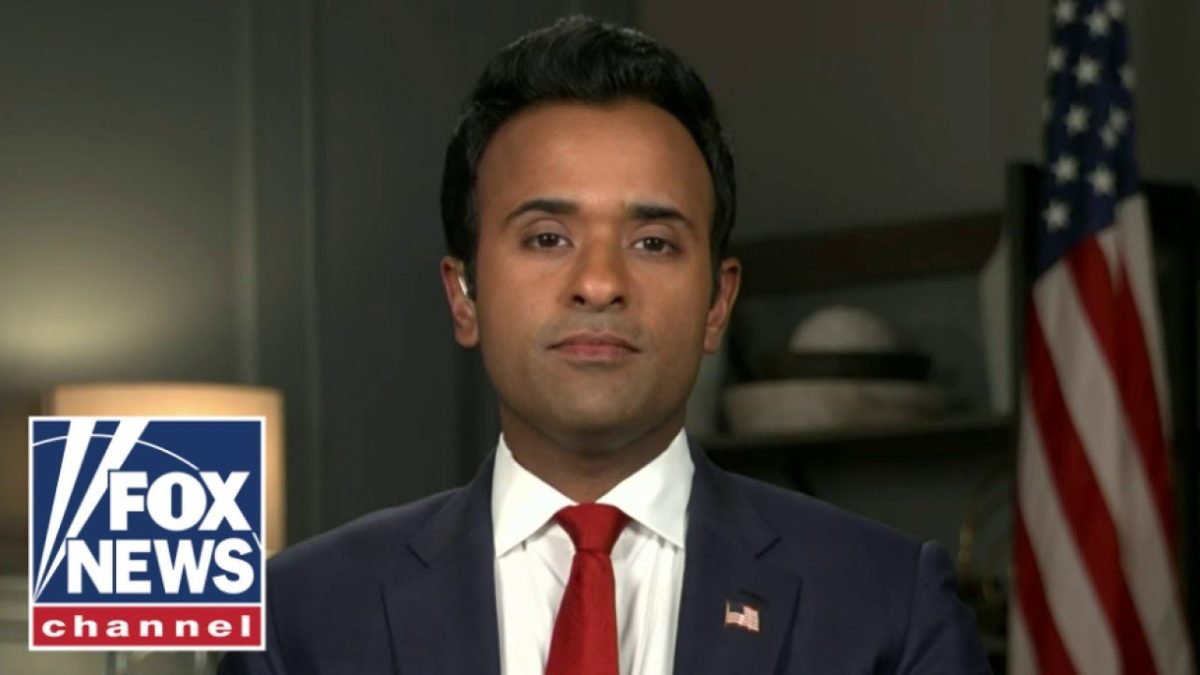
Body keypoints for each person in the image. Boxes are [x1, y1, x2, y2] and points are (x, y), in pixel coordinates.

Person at [220, 15, 990, 675]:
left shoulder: (889, 605)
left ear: (717, 303)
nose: (598, 282)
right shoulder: (299, 616)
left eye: (653, 242)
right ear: (464, 295)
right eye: (546, 237)